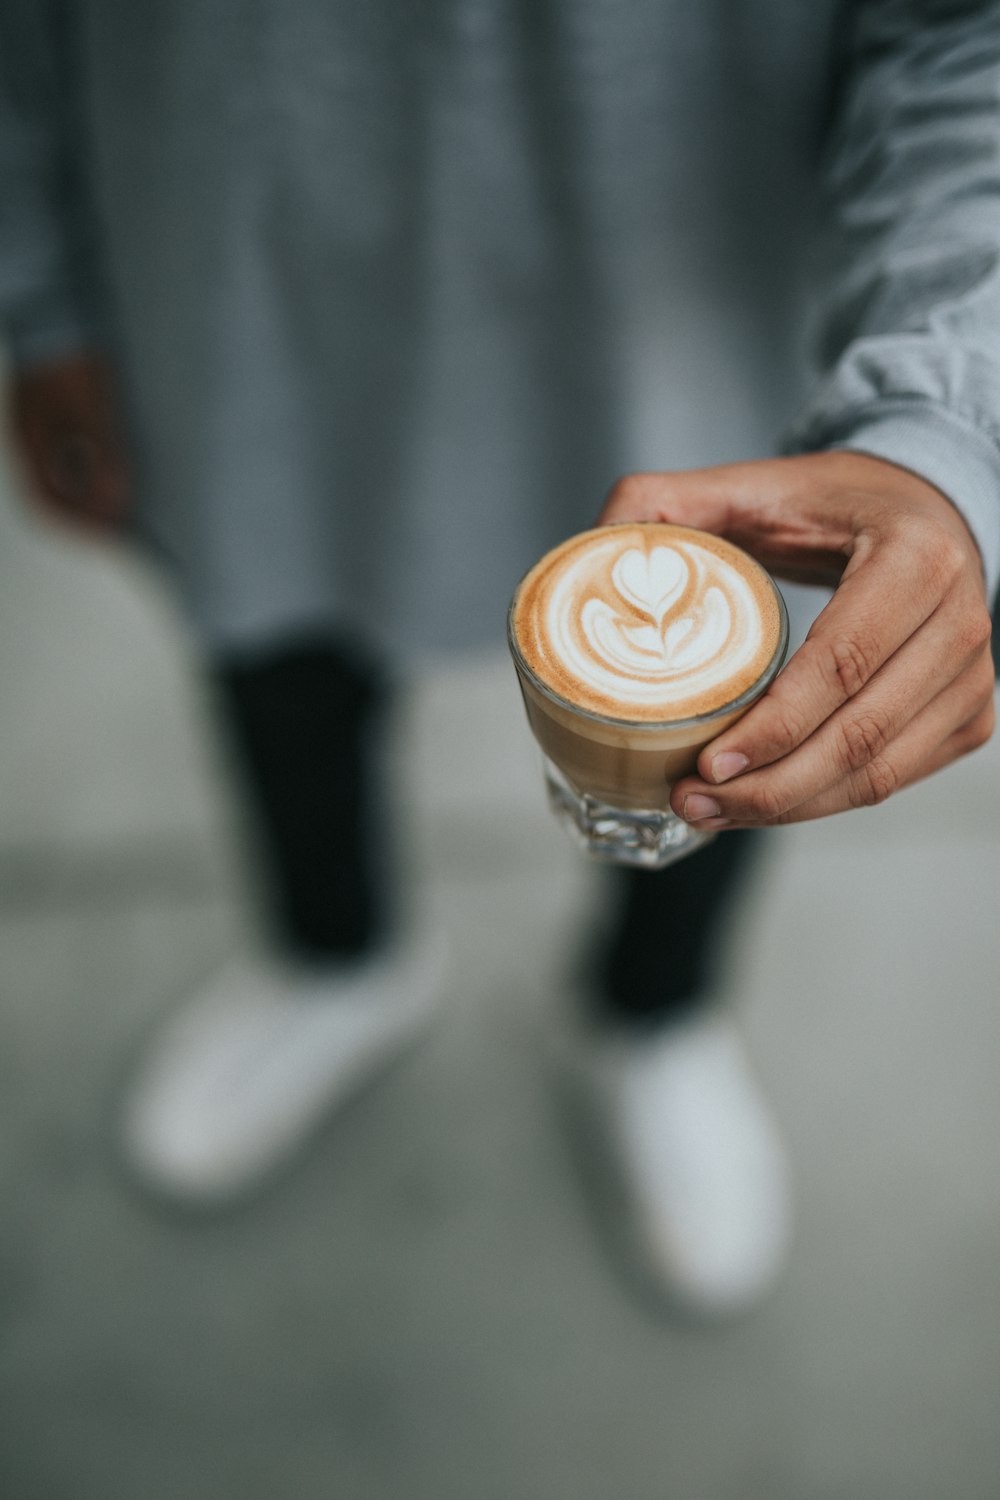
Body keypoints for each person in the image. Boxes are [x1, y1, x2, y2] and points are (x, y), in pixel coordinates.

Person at [1, 1, 996, 1318]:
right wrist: (39, 288)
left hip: (693, 335)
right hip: (241, 313)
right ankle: (334, 956)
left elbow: (960, 38)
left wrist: (945, 418)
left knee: (739, 733)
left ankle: (652, 1012)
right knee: (281, 673)